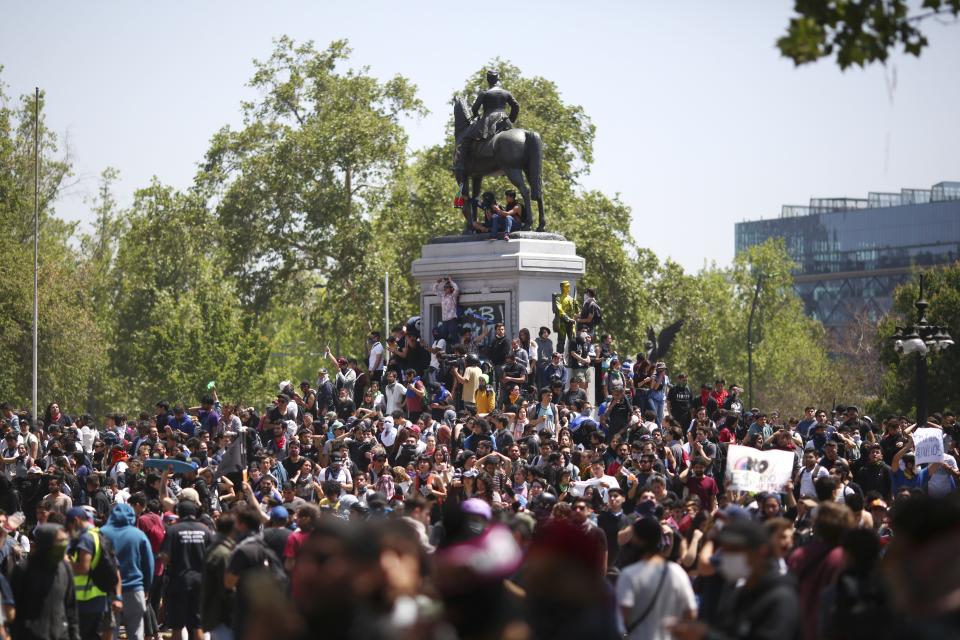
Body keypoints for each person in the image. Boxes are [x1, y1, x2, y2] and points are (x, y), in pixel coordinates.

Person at [668, 519, 799, 640]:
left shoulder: (781, 598)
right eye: (725, 550)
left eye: (735, 550)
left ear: (761, 552)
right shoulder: (741, 592)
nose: (728, 556)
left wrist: (706, 635)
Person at [617, 517, 696, 640]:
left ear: (636, 539)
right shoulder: (677, 572)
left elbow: (621, 617)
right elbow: (691, 614)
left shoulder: (629, 575)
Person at [10, 523, 80, 640]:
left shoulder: (65, 568)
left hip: (60, 634)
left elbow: (71, 607)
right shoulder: (23, 569)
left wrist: (74, 634)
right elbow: (14, 607)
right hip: (30, 635)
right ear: (45, 543)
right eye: (59, 541)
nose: (64, 544)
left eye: (65, 540)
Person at [65, 507, 121, 640]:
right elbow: (116, 567)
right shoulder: (98, 535)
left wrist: (66, 562)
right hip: (99, 599)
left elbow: (84, 568)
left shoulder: (85, 539)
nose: (68, 530)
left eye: (69, 525)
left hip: (85, 601)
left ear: (76, 521)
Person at [100, 503, 154, 640]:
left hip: (108, 591)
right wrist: (146, 588)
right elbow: (149, 565)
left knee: (111, 632)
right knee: (136, 632)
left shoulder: (101, 533)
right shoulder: (138, 535)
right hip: (135, 589)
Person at [160, 499, 211, 640]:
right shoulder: (205, 530)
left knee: (177, 626)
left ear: (178, 513)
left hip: (179, 582)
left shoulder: (173, 530)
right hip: (201, 582)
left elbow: (165, 557)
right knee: (197, 625)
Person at [433, 277, 460, 345]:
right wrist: (437, 283)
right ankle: (444, 352)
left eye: (447, 287)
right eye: (445, 287)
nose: (445, 289)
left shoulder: (453, 296)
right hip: (445, 321)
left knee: (454, 337)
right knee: (443, 339)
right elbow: (434, 291)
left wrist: (451, 281)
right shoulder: (443, 296)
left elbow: (457, 289)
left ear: (451, 289)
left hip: (452, 320)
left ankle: (458, 351)